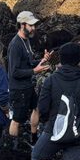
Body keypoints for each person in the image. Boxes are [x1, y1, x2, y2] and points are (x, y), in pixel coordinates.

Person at [7, 11, 51, 144]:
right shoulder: (15, 45)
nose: (34, 28)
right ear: (22, 25)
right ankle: (12, 147)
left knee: (36, 108)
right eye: (31, 25)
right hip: (18, 88)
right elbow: (14, 72)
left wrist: (41, 60)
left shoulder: (26, 41)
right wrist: (34, 71)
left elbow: (28, 62)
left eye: (34, 25)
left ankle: (34, 138)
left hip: (28, 85)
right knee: (17, 119)